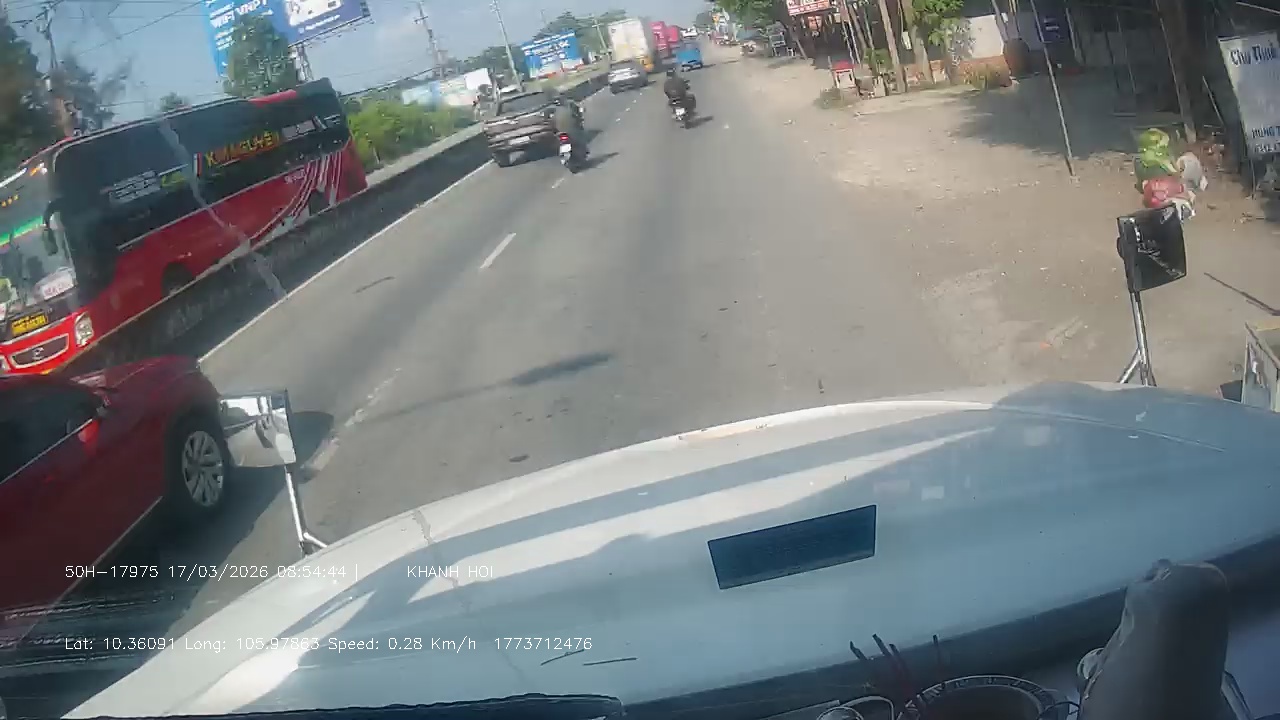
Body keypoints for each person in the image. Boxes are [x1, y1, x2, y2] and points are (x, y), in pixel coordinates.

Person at [548, 89, 586, 160]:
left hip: (560, 131)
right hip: (569, 130)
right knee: (580, 137)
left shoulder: (553, 108)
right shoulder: (569, 104)